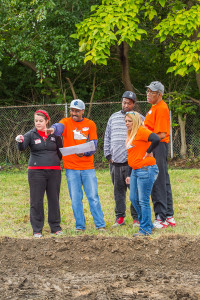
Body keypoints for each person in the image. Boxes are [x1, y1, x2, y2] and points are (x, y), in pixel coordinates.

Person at [48, 99, 105, 231]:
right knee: (75, 198)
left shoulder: (90, 124)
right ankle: (80, 226)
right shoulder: (66, 122)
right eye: (72, 110)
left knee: (93, 197)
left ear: (82, 111)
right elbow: (59, 127)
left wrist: (85, 152)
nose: (74, 113)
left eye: (77, 111)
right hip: (71, 168)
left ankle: (100, 224)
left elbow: (94, 144)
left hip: (87, 168)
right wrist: (53, 129)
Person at [15, 110, 63, 238]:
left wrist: (54, 162)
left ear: (47, 121)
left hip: (54, 172)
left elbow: (60, 151)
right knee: (36, 201)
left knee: (54, 199)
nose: (38, 123)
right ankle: (37, 229)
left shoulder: (54, 134)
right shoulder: (31, 134)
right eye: (36, 121)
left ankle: (55, 227)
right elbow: (22, 147)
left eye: (41, 121)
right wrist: (19, 141)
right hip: (36, 173)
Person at [104, 91, 141, 227]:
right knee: (118, 192)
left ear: (133, 104)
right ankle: (120, 218)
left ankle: (136, 218)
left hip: (132, 163)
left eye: (129, 103)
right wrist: (108, 154)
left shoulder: (138, 118)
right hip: (116, 163)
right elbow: (107, 136)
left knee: (134, 192)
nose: (126, 105)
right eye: (124, 102)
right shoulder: (113, 117)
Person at [144, 81, 176, 229]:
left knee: (157, 180)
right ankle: (169, 215)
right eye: (148, 91)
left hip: (158, 146)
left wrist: (149, 149)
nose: (148, 93)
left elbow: (161, 133)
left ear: (160, 94)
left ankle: (161, 217)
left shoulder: (162, 108)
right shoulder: (154, 107)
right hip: (157, 146)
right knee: (163, 179)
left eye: (152, 92)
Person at [125, 111, 160, 236]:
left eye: (129, 121)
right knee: (133, 198)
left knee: (143, 200)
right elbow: (132, 154)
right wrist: (129, 173)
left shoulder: (141, 131)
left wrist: (149, 151)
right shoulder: (130, 133)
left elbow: (156, 138)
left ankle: (145, 229)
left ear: (136, 121)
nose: (127, 123)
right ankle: (148, 224)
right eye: (126, 121)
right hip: (135, 170)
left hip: (146, 168)